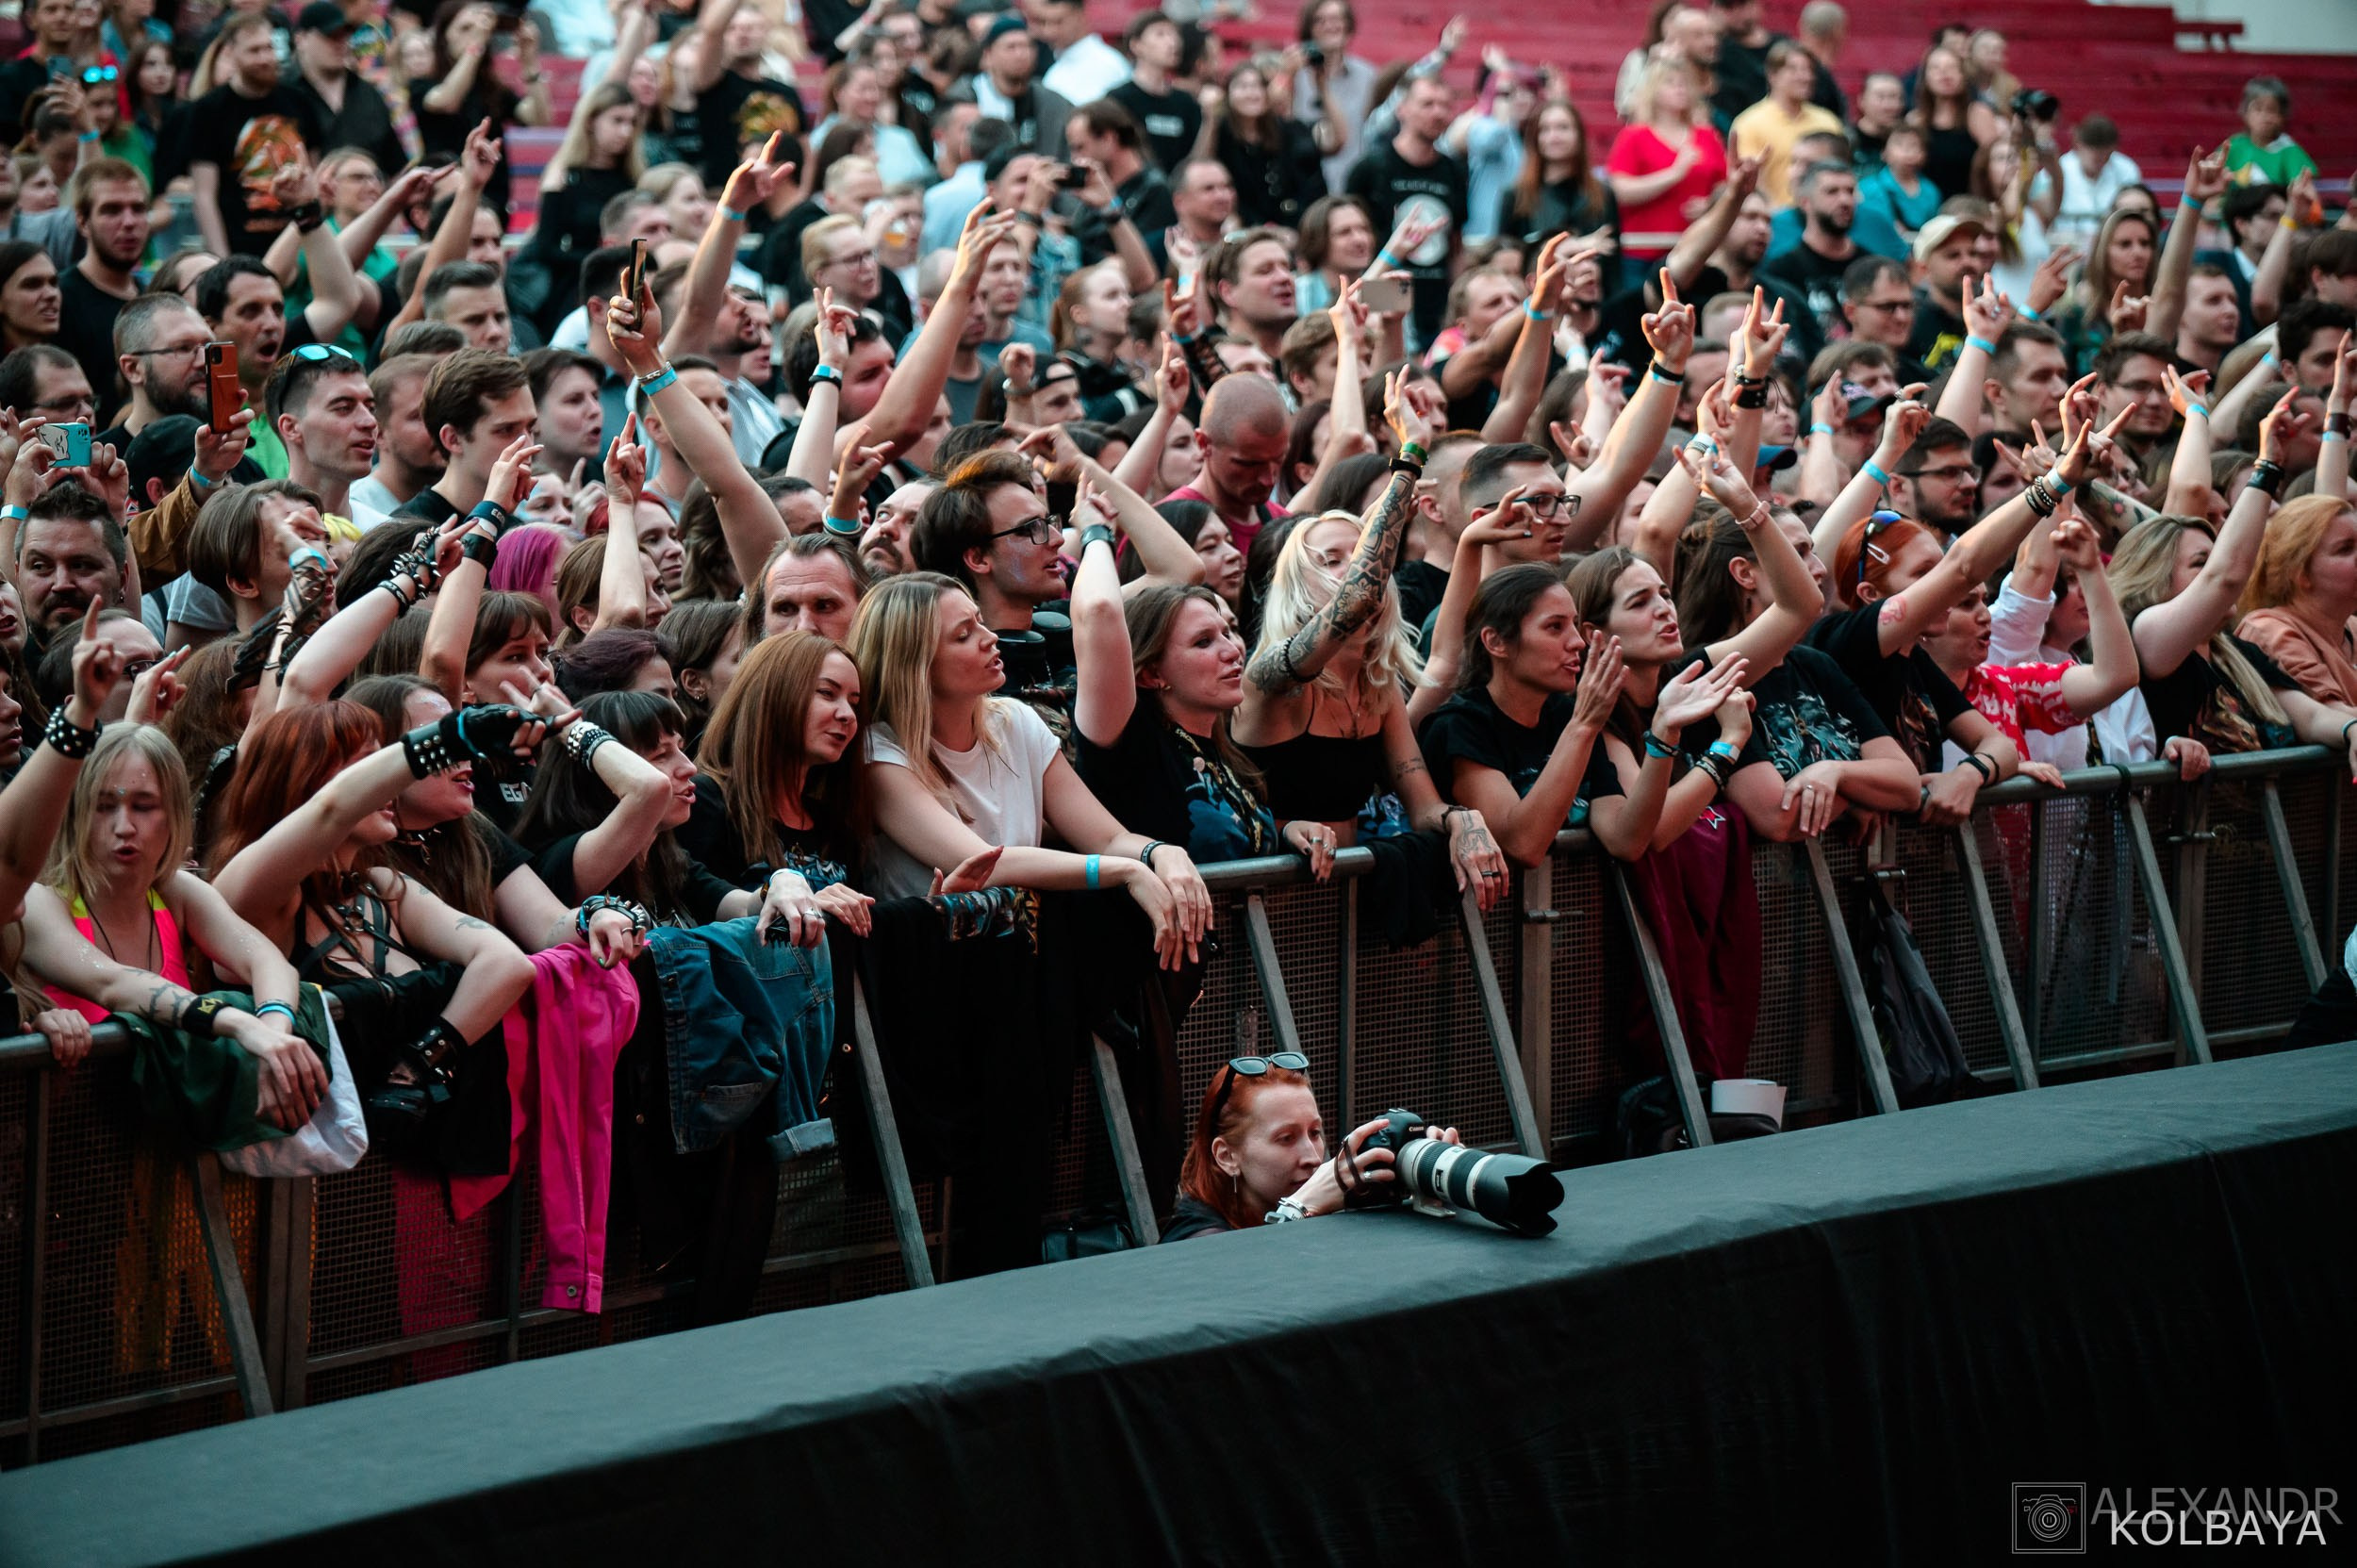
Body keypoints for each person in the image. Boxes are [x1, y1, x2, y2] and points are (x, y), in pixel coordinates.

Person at [847, 570, 1211, 967]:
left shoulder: (1016, 721)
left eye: (980, 621)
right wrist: (1126, 872)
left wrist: (1157, 852)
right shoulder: (878, 753)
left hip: (1019, 965)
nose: (990, 638)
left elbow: (1107, 838)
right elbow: (986, 862)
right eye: (964, 634)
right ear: (915, 664)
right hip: (929, 973)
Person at [1235, 374, 1508, 901]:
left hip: (1344, 907)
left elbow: (1422, 805)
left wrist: (1462, 820)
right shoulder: (1269, 676)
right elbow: (1356, 595)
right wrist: (1410, 456)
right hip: (1263, 908)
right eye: (1331, 560)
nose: (1352, 570)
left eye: (1356, 556)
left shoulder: (1377, 687)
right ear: (1296, 586)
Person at [14, 720, 326, 1127]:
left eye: (144, 806)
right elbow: (111, 982)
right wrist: (241, 1026)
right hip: (64, 1154)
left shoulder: (176, 891)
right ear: (74, 811)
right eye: (103, 806)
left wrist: (274, 1033)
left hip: (160, 1153)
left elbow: (267, 961)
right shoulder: (41, 899)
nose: (124, 827)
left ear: (175, 813)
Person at [1161, 1052, 1459, 1239]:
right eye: (1286, 1138)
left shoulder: (1335, 1200)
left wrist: (1436, 1181)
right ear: (1227, 1157)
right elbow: (1253, 1290)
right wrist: (1299, 1209)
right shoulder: (1198, 1237)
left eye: (1315, 1133)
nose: (1312, 1157)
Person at [189, 11, 325, 259]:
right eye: (254, 50)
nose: (265, 58)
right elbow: (204, 195)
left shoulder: (300, 102)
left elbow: (315, 175)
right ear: (231, 53)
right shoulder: (208, 110)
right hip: (242, 247)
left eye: (269, 48)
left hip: (298, 244)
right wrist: (221, 259)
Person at [1345, 74, 1464, 350]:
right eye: (1428, 104)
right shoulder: (1371, 167)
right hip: (1383, 295)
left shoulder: (1454, 171)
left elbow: (1456, 244)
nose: (1438, 113)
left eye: (1445, 106)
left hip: (1435, 301)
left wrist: (1455, 305)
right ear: (1402, 109)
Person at [410, 2, 549, 223]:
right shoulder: (423, 83)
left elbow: (539, 118)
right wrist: (474, 47)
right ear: (443, 37)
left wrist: (529, 61)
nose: (476, 35)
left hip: (492, 199)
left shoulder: (491, 88)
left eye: (481, 30)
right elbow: (447, 101)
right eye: (465, 29)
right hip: (443, 199)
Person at [1605, 54, 1724, 267]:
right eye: (1670, 83)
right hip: (1642, 250)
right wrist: (1674, 174)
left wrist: (1710, 204)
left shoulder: (1707, 135)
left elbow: (1724, 186)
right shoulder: (1634, 136)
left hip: (1696, 248)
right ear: (1653, 90)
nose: (1680, 89)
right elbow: (1621, 191)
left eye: (1684, 83)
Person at [2238, 497, 2357, 710]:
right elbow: (2332, 714)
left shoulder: (2353, 626)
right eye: (2345, 549)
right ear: (2300, 573)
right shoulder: (2269, 630)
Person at [287, 2, 404, 183]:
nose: (341, 43)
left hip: (373, 203)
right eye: (330, 36)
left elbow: (395, 167)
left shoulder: (369, 94)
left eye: (345, 35)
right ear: (301, 39)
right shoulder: (283, 95)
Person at [1203, 59, 1323, 236]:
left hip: (1291, 227)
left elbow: (1306, 184)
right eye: (1242, 86)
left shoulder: (1287, 130)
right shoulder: (1221, 133)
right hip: (1241, 227)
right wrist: (1210, 120)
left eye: (1258, 86)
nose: (1251, 93)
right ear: (1227, 94)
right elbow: (1202, 165)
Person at [1727, 41, 1841, 209]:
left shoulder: (1828, 122)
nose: (1806, 77)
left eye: (1809, 70)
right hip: (1773, 220)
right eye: (1794, 70)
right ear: (1772, 75)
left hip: (1823, 220)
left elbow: (1841, 172)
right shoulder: (1749, 123)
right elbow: (1749, 182)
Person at [1510, 96, 1617, 256]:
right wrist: (1574, 247)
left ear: (1579, 135)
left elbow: (1612, 263)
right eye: (1544, 129)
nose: (1554, 137)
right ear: (1535, 138)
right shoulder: (1515, 195)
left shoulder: (1603, 193)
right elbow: (1507, 258)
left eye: (1563, 127)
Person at [2223, 75, 2316, 190]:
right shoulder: (2234, 146)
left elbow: (2306, 193)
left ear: (2282, 116)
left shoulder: (2289, 151)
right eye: (2258, 109)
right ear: (2245, 112)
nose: (2264, 116)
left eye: (2271, 110)